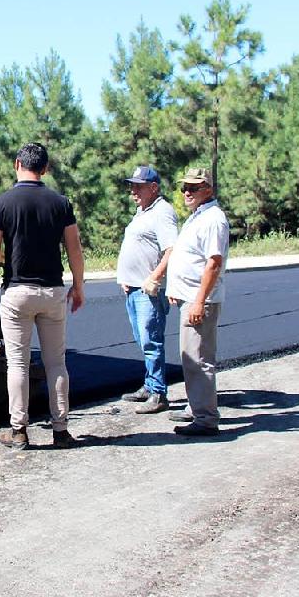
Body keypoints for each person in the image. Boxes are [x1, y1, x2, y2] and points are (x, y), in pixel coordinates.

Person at [0, 143, 85, 450]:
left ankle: (19, 430)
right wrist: (79, 285)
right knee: (56, 363)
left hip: (17, 293)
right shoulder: (60, 203)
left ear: (17, 165)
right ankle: (61, 430)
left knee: (18, 364)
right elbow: (74, 248)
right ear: (45, 169)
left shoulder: (3, 202)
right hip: (52, 291)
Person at [165, 166, 230, 437]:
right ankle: (197, 407)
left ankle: (205, 419)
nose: (187, 192)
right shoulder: (197, 216)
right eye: (184, 188)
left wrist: (198, 302)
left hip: (199, 301)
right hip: (189, 296)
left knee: (198, 359)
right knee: (190, 357)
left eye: (193, 188)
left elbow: (214, 263)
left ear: (208, 189)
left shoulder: (213, 219)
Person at [116, 165, 178, 414]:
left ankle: (158, 393)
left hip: (148, 291)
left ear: (154, 188)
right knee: (144, 340)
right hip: (133, 288)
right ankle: (150, 384)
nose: (133, 191)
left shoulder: (162, 212)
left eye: (138, 186)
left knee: (152, 341)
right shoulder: (142, 211)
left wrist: (154, 278)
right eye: (132, 186)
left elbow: (172, 250)